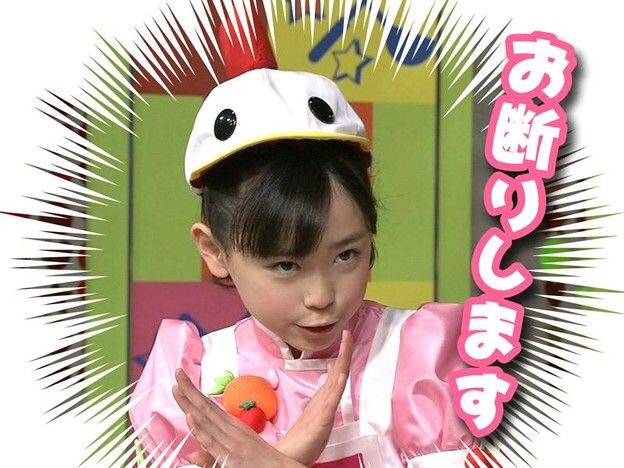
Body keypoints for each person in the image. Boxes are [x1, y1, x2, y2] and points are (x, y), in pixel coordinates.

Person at [129, 17, 476, 468]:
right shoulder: (192, 384)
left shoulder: (422, 362)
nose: (321, 296)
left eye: (346, 255)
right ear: (215, 252)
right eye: (286, 265)